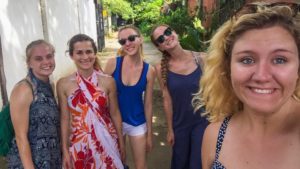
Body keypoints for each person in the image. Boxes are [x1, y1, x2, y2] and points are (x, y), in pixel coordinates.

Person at [192, 2, 300, 169]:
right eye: (247, 60)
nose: (262, 76)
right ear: (228, 69)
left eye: (280, 60)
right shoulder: (214, 136)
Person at [57, 34, 125, 169]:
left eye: (88, 51)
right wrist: (64, 149)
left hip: (107, 140)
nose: (85, 57)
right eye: (79, 53)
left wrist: (121, 142)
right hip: (79, 142)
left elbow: (115, 113)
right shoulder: (63, 84)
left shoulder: (108, 81)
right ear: (72, 56)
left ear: (95, 53)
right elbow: (64, 119)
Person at [150, 24, 209, 169]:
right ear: (160, 47)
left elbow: (214, 90)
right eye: (161, 39)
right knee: (179, 163)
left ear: (175, 32)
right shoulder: (160, 68)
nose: (167, 37)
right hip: (180, 124)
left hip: (202, 122)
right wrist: (170, 129)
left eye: (168, 32)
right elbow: (167, 99)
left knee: (197, 163)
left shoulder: (201, 58)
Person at [104, 25, 155, 169]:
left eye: (131, 38)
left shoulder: (149, 71)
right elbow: (101, 94)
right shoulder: (113, 63)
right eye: (122, 41)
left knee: (141, 165)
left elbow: (148, 104)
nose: (127, 43)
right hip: (113, 121)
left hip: (137, 122)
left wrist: (150, 133)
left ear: (140, 39)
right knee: (116, 163)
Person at [6, 40, 62, 168]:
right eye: (38, 59)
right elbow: (20, 136)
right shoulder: (24, 89)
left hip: (50, 158)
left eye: (49, 56)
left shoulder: (49, 84)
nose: (46, 62)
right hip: (29, 162)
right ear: (29, 63)